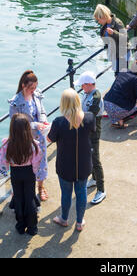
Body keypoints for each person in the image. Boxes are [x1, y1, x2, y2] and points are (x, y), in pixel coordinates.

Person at [48, 88, 96, 231]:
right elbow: (92, 130)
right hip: (84, 164)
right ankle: (79, 222)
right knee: (81, 192)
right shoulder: (89, 117)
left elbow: (50, 138)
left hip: (65, 165)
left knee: (66, 193)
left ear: (63, 104)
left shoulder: (59, 122)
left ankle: (64, 218)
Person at [9, 70, 49, 202]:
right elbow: (15, 124)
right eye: (31, 88)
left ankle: (41, 186)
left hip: (39, 137)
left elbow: (42, 110)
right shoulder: (15, 103)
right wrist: (34, 125)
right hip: (24, 139)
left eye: (35, 87)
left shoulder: (36, 96)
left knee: (41, 163)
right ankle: (18, 188)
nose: (34, 90)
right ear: (23, 86)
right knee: (24, 165)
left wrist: (43, 120)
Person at [0, 114, 42, 236]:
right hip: (29, 172)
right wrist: (34, 172)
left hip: (15, 173)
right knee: (30, 198)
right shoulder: (33, 144)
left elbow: (3, 161)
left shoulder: (6, 144)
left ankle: (20, 225)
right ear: (27, 128)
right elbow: (37, 161)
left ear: (12, 128)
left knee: (18, 198)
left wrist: (4, 172)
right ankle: (32, 227)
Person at [74, 71, 106, 205]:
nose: (81, 87)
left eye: (82, 85)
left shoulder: (96, 97)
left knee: (95, 158)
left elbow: (90, 115)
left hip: (93, 129)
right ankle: (93, 178)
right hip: (87, 127)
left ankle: (101, 189)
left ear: (88, 85)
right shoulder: (88, 94)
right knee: (89, 154)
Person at [104, 61, 137, 129]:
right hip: (117, 109)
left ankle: (118, 121)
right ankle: (121, 120)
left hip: (106, 104)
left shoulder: (123, 71)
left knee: (121, 100)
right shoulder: (136, 79)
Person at [94, 4, 128, 74]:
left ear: (103, 17)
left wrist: (113, 33)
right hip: (115, 54)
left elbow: (125, 38)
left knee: (121, 75)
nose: (98, 22)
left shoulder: (117, 23)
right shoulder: (104, 26)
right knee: (117, 73)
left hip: (121, 54)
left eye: (98, 20)